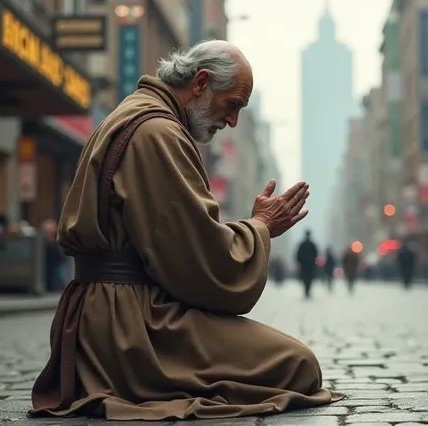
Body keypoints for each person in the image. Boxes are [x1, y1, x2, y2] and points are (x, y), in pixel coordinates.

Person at [29, 40, 340, 421]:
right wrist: (260, 226)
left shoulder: (139, 115)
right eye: (232, 105)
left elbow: (178, 244)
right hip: (134, 328)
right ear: (201, 83)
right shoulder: (159, 132)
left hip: (116, 312)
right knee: (298, 364)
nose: (232, 122)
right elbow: (199, 260)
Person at [295, 229, 318, 299]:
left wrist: (299, 262)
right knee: (309, 278)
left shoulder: (302, 244)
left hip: (304, 264)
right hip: (310, 265)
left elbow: (298, 255)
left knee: (305, 278)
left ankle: (306, 291)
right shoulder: (312, 244)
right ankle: (308, 291)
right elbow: (316, 254)